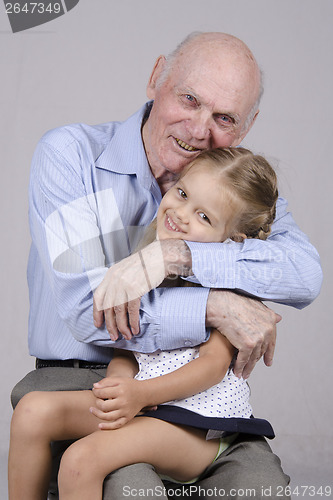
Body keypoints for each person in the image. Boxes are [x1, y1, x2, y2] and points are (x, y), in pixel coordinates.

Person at [10, 32, 322, 499]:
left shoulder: (238, 200)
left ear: (248, 125)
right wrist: (211, 307)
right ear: (157, 77)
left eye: (224, 117)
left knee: (262, 487)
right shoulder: (73, 155)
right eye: (190, 99)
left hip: (192, 399)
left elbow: (304, 273)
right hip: (81, 372)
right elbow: (85, 309)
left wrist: (177, 256)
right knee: (129, 483)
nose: (199, 131)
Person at [9, 147, 279, 500]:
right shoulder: (146, 261)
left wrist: (141, 394)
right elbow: (130, 342)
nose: (181, 214)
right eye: (182, 193)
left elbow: (212, 366)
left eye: (204, 216)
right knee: (32, 412)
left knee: (81, 459)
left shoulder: (231, 283)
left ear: (233, 239)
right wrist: (119, 380)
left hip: (196, 424)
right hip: (147, 404)